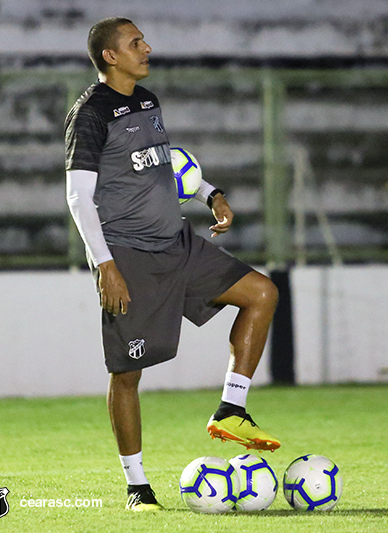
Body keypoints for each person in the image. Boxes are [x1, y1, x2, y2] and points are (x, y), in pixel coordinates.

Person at [64, 17, 281, 512]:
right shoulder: (91, 114)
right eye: (135, 43)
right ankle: (137, 487)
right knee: (127, 373)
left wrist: (211, 193)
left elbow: (168, 164)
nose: (148, 48)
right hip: (131, 258)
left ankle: (231, 409)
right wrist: (106, 265)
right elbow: (78, 198)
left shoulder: (147, 101)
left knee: (261, 293)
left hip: (180, 245)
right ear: (110, 57)